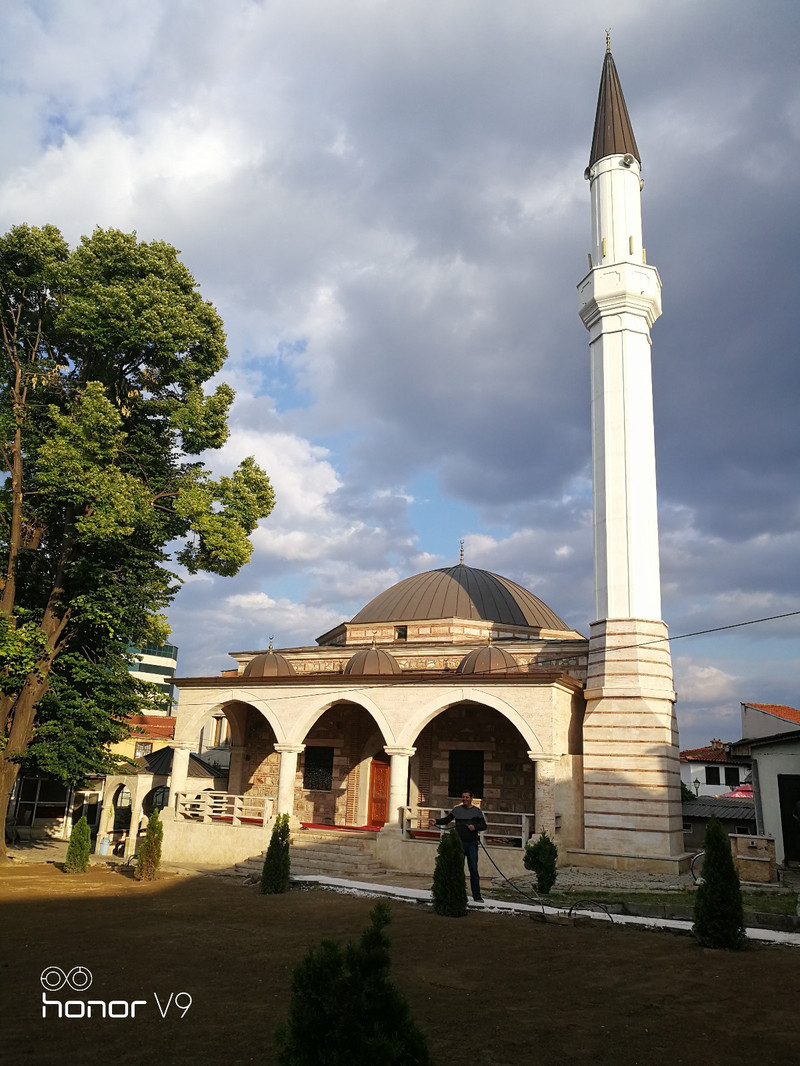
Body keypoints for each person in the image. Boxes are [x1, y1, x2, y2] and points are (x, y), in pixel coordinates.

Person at [432, 792, 487, 902]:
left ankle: (477, 896)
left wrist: (475, 827)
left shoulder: (477, 811)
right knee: (458, 869)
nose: (465, 799)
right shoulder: (456, 810)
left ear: (471, 798)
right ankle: (459, 894)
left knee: (473, 870)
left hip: (471, 844)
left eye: (467, 797)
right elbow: (447, 820)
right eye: (463, 797)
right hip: (459, 843)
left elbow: (483, 826)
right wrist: (436, 821)